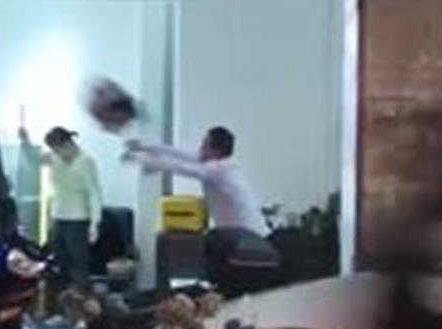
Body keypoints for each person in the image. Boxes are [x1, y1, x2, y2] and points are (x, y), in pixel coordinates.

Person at [123, 126, 278, 297]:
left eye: (204, 144)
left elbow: (182, 168)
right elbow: (178, 153)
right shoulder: (218, 165)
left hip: (251, 243)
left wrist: (140, 159)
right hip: (242, 239)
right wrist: (144, 147)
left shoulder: (220, 170)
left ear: (215, 151)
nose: (200, 148)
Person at [19, 126, 103, 291]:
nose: (57, 153)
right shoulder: (54, 157)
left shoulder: (86, 162)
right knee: (57, 262)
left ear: (68, 144)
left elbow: (94, 194)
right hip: (58, 217)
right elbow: (35, 160)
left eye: (58, 149)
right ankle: (59, 298)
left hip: (78, 220)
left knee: (78, 264)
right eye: (54, 150)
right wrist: (25, 142)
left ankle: (81, 298)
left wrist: (95, 224)